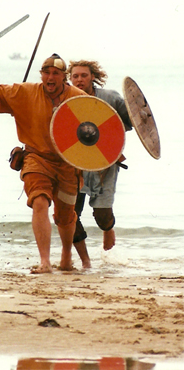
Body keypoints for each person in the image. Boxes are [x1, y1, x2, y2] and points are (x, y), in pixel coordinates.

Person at [0, 46, 86, 273]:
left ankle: (65, 257)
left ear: (64, 77)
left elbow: (99, 130)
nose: (50, 77)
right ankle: (44, 261)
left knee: (65, 216)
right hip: (36, 157)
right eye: (46, 72)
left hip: (67, 164)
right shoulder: (24, 92)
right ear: (41, 74)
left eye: (56, 73)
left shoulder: (79, 99)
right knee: (39, 200)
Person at [68, 60, 133, 268]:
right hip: (74, 164)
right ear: (70, 78)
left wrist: (107, 138)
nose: (79, 80)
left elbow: (129, 123)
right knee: (70, 216)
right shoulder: (64, 100)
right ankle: (86, 261)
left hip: (104, 162)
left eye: (83, 75)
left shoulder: (110, 97)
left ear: (92, 76)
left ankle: (108, 229)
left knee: (102, 214)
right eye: (75, 76)